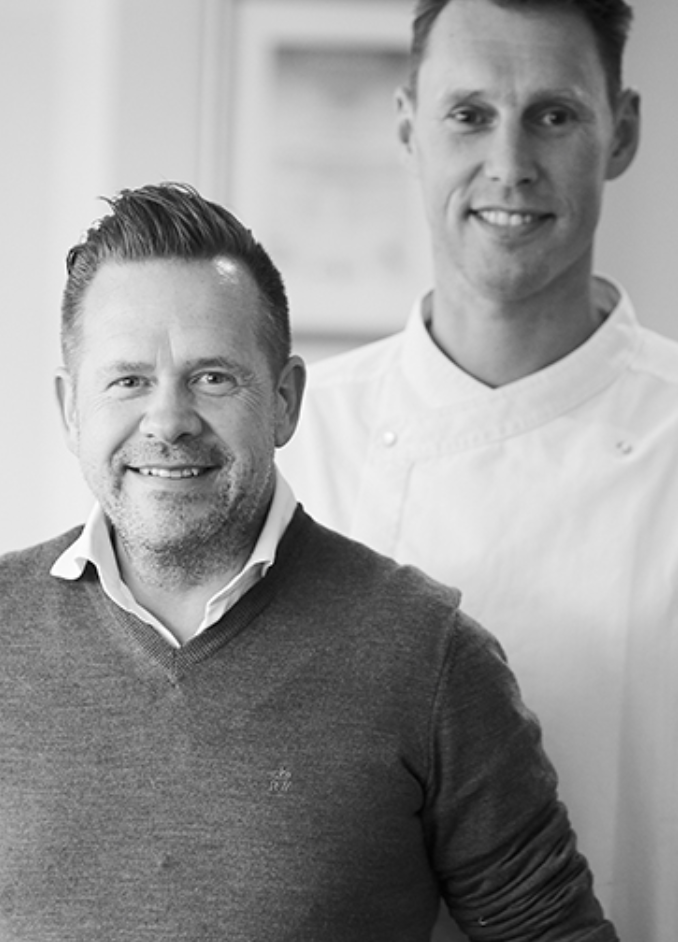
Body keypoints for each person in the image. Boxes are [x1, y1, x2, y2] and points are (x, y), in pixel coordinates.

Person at [0, 182, 615, 941]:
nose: (168, 421)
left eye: (212, 378)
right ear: (71, 408)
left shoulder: (429, 657)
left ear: (284, 400)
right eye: (128, 380)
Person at [279, 0, 677, 939]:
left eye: (554, 115)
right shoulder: (297, 438)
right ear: (407, 127)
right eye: (469, 115)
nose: (509, 164)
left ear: (621, 133)